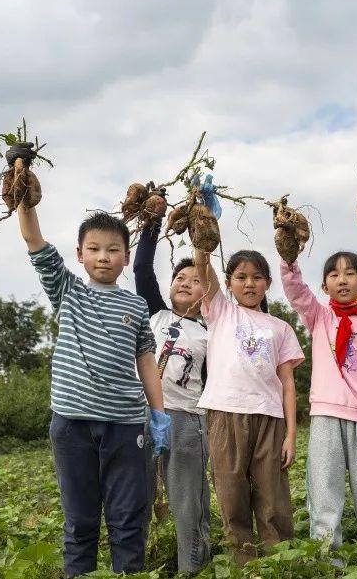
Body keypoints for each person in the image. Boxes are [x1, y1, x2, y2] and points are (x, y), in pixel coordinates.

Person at [17, 199, 169, 577]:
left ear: (126, 257)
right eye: (95, 249)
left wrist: (159, 413)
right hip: (72, 424)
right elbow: (34, 240)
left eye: (113, 249)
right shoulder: (69, 292)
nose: (104, 257)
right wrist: (22, 195)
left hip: (125, 425)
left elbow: (146, 360)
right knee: (80, 521)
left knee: (127, 519)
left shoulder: (136, 306)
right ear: (80, 255)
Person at [279, 249, 357, 548]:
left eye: (350, 273)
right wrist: (288, 259)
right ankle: (327, 555)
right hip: (326, 417)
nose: (342, 280)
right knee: (324, 489)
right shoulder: (320, 317)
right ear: (324, 286)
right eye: (334, 275)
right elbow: (296, 292)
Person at [132, 179, 221, 574]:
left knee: (188, 501)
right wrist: (153, 218)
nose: (185, 282)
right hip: (142, 415)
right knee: (137, 496)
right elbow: (141, 267)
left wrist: (204, 223)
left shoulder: (210, 330)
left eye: (195, 280)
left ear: (206, 291)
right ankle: (135, 565)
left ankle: (193, 565)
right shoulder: (155, 313)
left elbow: (214, 381)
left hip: (186, 419)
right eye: (180, 278)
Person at [194, 247, 304, 566]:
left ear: (267, 282)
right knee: (231, 493)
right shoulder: (220, 310)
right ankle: (243, 563)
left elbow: (287, 384)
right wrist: (202, 240)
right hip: (225, 413)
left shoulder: (280, 328)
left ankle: (279, 562)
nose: (249, 284)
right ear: (228, 283)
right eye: (241, 277)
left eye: (257, 277)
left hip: (269, 418)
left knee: (273, 497)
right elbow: (202, 263)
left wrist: (291, 434)